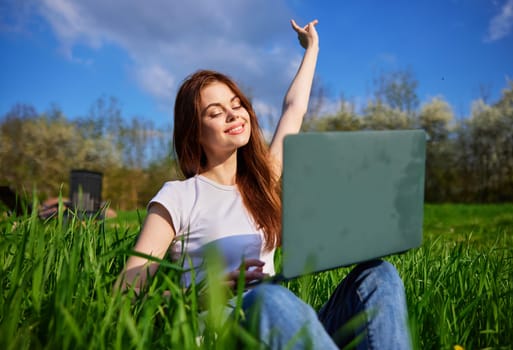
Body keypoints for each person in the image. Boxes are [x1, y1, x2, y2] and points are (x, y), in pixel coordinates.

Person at [116, 19, 411, 349]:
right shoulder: (178, 196)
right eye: (215, 112)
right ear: (195, 132)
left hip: (283, 325)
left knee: (378, 275)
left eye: (236, 104)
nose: (233, 115)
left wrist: (312, 48)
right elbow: (127, 291)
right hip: (226, 332)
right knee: (269, 300)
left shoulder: (262, 182)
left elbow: (294, 110)